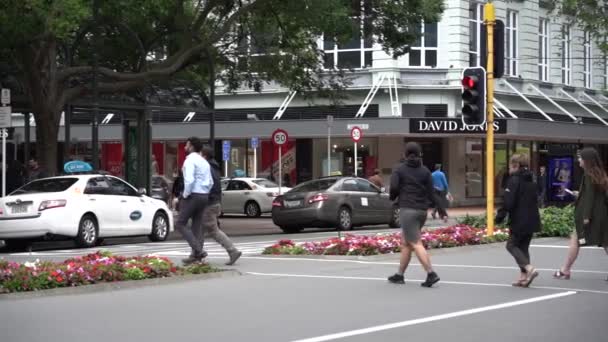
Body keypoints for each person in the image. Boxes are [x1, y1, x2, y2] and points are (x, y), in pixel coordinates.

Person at [387, 142, 448, 288]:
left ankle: (431, 273)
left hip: (408, 209)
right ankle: (399, 275)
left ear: (405, 154)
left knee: (415, 242)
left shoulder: (399, 169)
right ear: (419, 154)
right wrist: (441, 211)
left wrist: (393, 197)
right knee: (406, 243)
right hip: (422, 211)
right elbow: (432, 193)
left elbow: (394, 187)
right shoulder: (425, 171)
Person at [554, 147, 608, 281]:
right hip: (602, 215)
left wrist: (586, 216)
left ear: (587, 160)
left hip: (590, 215)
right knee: (605, 242)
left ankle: (565, 270)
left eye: (580, 158)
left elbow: (589, 197)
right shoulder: (600, 174)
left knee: (576, 240)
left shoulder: (588, 175)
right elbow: (596, 196)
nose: (578, 160)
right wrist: (579, 195)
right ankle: (565, 269)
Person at [496, 154, 541, 287]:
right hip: (532, 218)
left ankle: (529, 269)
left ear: (515, 166)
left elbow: (508, 202)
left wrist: (499, 216)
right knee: (523, 247)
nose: (508, 169)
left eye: (510, 165)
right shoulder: (532, 178)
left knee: (511, 245)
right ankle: (524, 277)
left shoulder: (514, 180)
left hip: (519, 219)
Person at [198, 146, 242, 265]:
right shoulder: (214, 167)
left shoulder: (208, 168)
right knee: (199, 229)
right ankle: (197, 254)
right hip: (214, 202)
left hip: (209, 203)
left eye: (200, 154)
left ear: (205, 156)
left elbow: (210, 186)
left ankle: (232, 250)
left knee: (213, 230)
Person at [175, 137, 214, 265]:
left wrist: (185, 195)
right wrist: (205, 191)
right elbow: (211, 182)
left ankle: (198, 250)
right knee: (196, 225)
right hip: (204, 195)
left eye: (186, 145)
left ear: (191, 146)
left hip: (193, 195)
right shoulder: (204, 162)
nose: (185, 147)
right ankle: (196, 255)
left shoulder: (190, 161)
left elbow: (189, 180)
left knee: (180, 223)